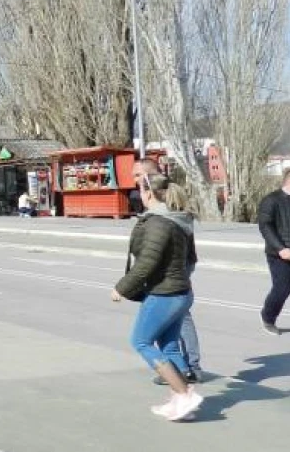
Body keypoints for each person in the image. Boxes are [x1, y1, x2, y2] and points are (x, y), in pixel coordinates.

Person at [113, 172, 202, 421]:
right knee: (169, 346)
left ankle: (184, 394)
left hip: (164, 293)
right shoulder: (178, 219)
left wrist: (122, 287)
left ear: (148, 193)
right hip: (181, 291)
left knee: (141, 342)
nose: (138, 194)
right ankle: (181, 399)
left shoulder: (158, 222)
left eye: (139, 189)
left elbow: (147, 262)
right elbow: (191, 259)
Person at [258, 167, 290, 336]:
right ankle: (268, 318)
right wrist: (281, 248)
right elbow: (265, 226)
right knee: (282, 289)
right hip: (281, 255)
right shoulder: (271, 200)